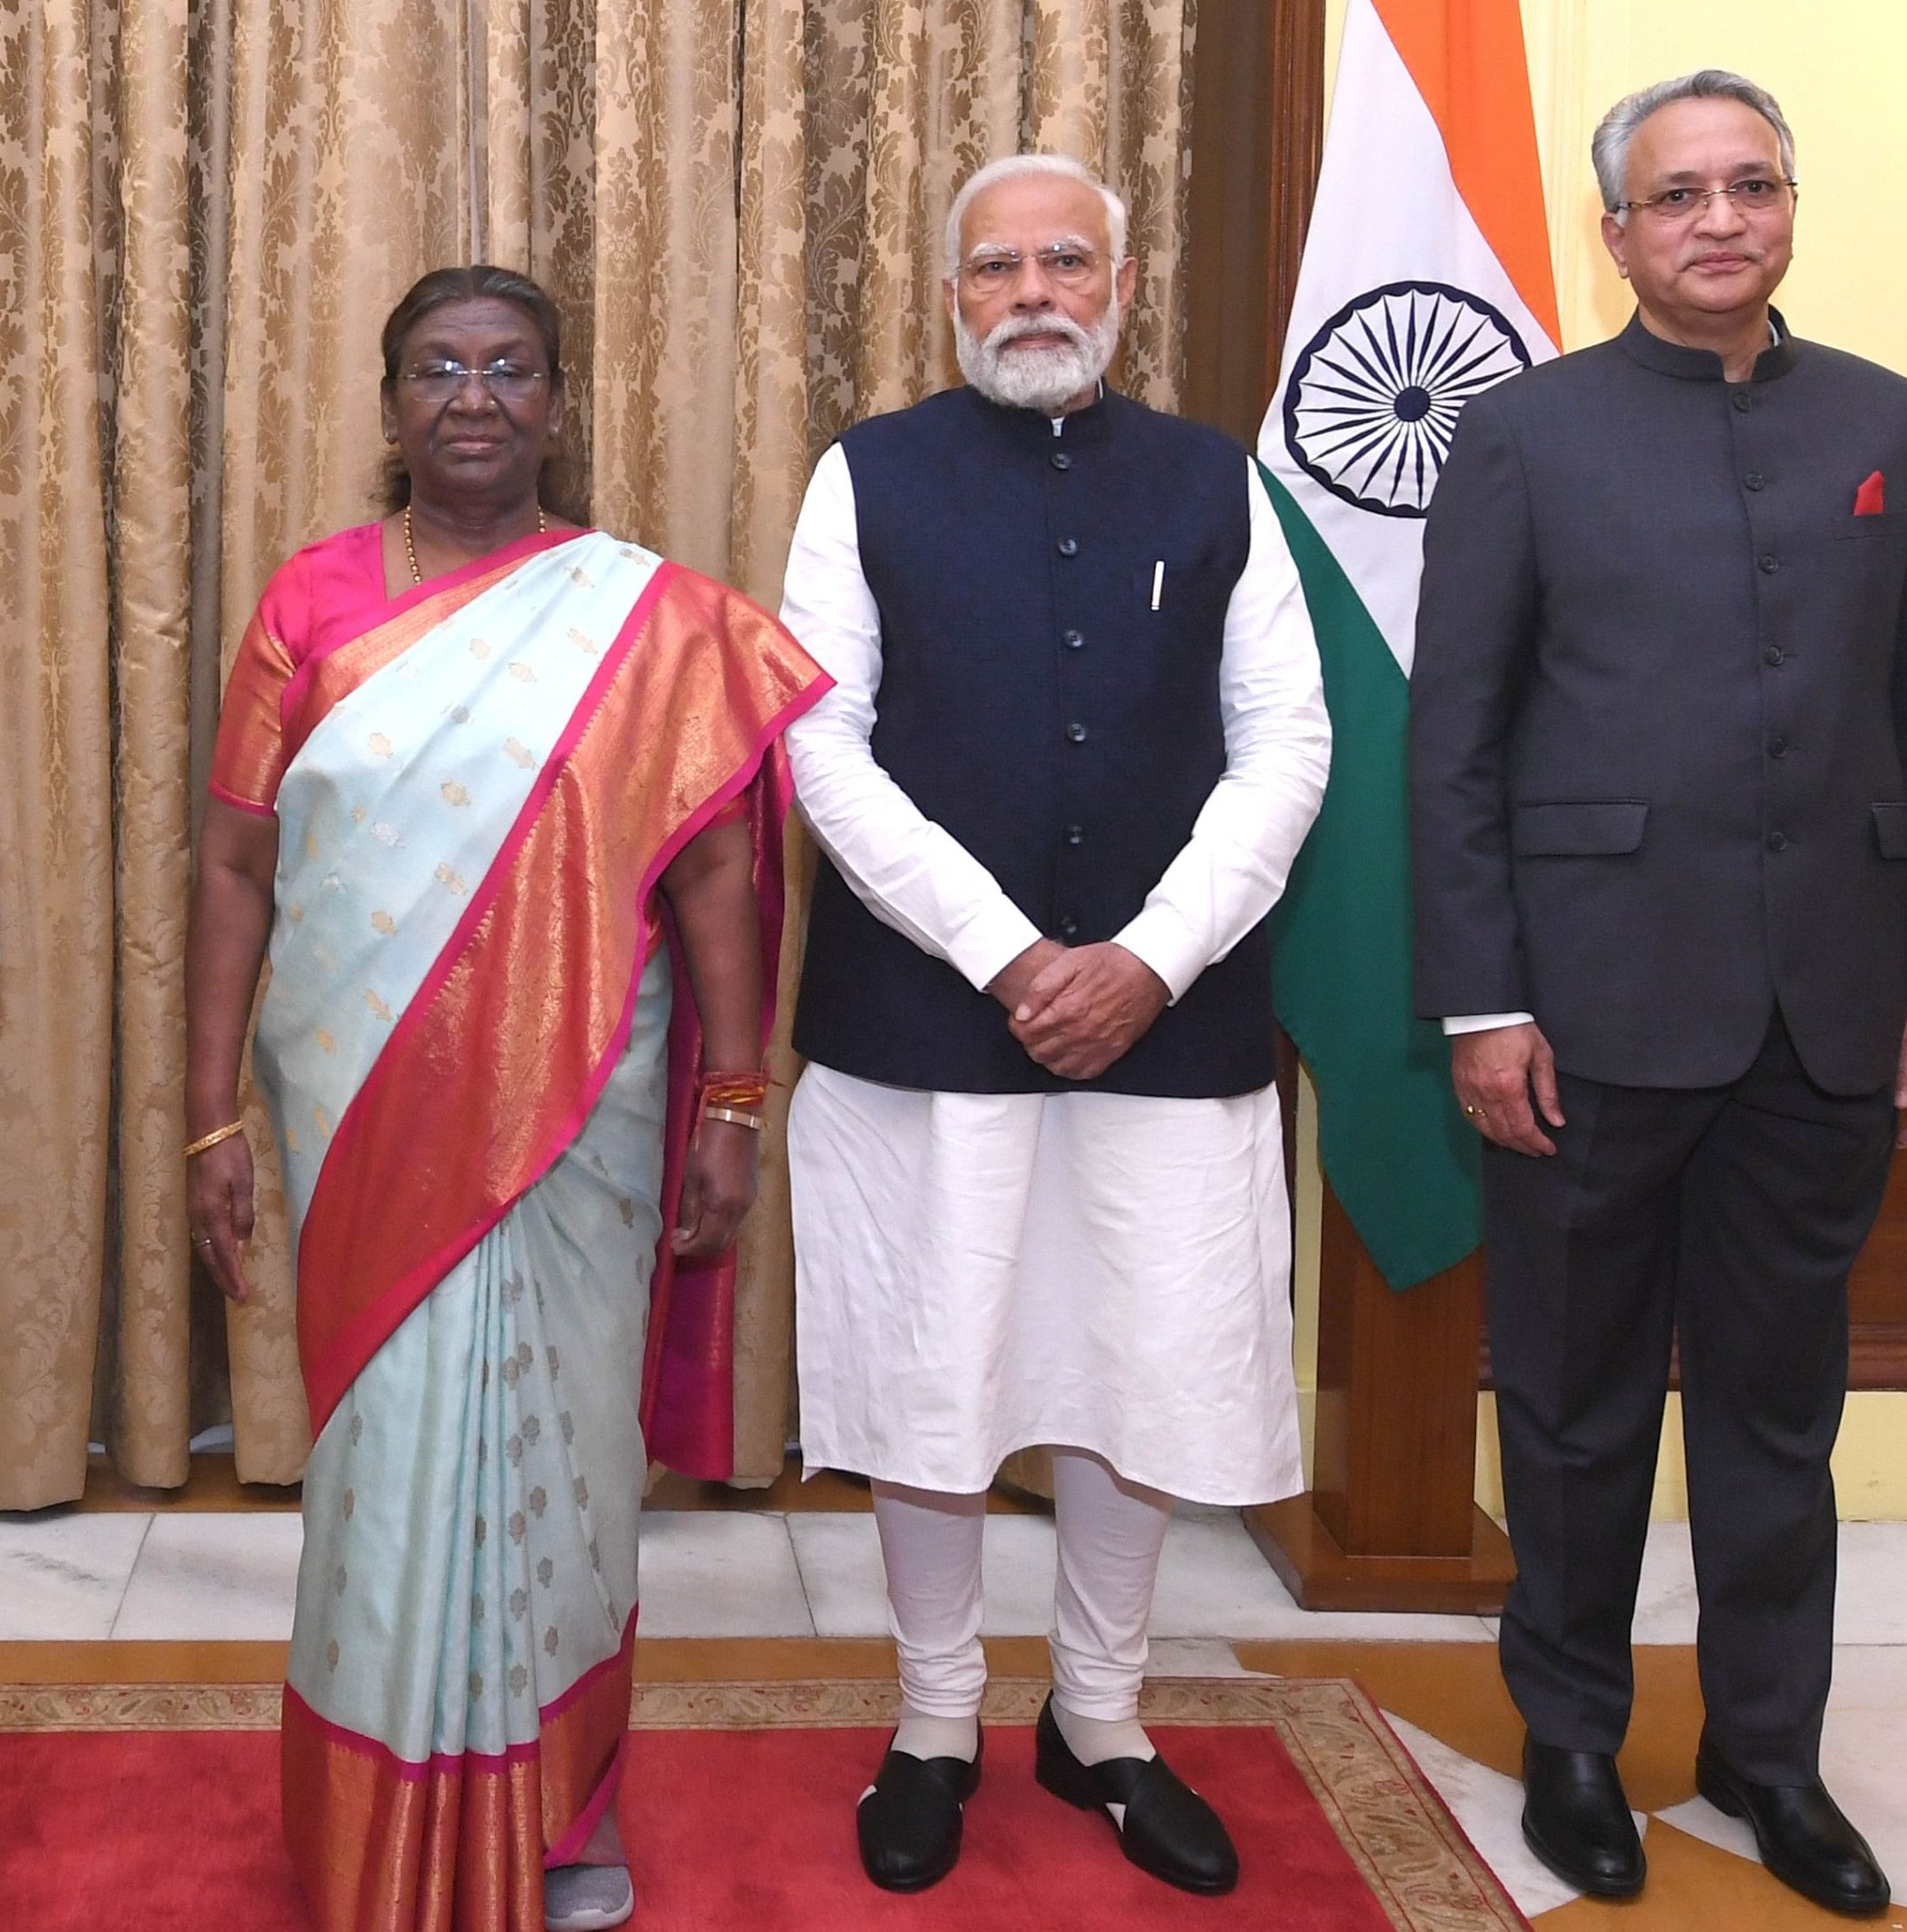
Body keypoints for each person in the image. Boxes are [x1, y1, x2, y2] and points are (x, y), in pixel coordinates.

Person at [1409, 69, 1907, 1920]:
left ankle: (1766, 1755)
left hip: (1829, 1014)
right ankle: (1574, 1744)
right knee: (1577, 1409)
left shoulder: (1885, 424)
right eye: (1677, 196)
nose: (1718, 219)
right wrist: (1480, 1003)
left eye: (1750, 185)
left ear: (1787, 207)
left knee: (1776, 1412)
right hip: (1584, 1016)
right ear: (1618, 234)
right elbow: (1457, 751)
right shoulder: (1523, 436)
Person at [184, 266, 825, 1932]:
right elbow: (236, 868)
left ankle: (562, 1803)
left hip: (578, 1123)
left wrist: (736, 1104)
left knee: (565, 1469)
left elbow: (715, 893)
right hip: (359, 1113)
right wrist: (206, 1116)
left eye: (512, 369)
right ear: (389, 405)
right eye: (438, 369)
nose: (475, 397)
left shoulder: (651, 617)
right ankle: (368, 1826)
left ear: (558, 401)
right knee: (385, 1469)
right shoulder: (309, 603)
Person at [777, 153, 1331, 1898]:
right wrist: (1011, 952)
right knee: (929, 1383)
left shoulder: (1215, 484)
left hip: (1169, 1028)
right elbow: (818, 747)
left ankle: (1098, 1722)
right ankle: (934, 1722)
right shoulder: (863, 476)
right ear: (952, 296)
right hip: (923, 1025)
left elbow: (1288, 748)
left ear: (1123, 279)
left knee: (1132, 1376)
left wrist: (1149, 959)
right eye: (995, 265)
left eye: (1063, 258)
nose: (1031, 289)